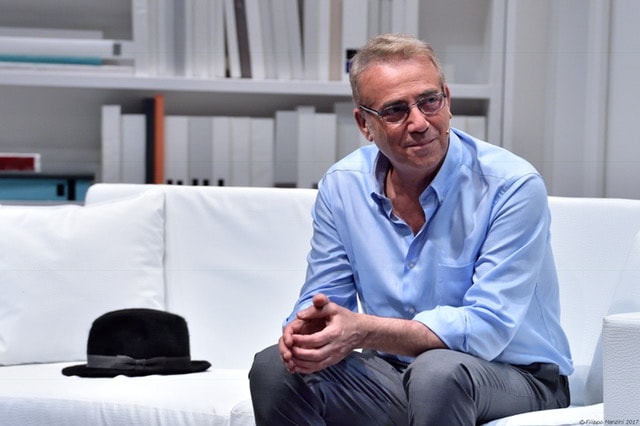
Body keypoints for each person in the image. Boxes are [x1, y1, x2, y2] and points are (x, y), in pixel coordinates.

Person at [249, 33, 573, 425]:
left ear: (447, 100)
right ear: (365, 124)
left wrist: (363, 331)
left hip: (514, 376)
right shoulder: (343, 185)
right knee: (275, 368)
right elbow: (325, 296)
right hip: (396, 375)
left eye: (429, 101)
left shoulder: (512, 186)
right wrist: (306, 332)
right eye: (395, 110)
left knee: (436, 373)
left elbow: (488, 328)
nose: (419, 123)